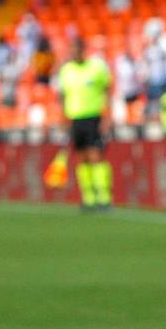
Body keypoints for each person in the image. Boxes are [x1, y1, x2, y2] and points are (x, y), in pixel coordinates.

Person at [57, 37, 113, 210]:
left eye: (77, 49)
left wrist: (107, 116)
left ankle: (103, 197)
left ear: (83, 50)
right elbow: (63, 96)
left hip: (93, 117)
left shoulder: (96, 67)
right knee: (82, 157)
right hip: (75, 118)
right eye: (71, 49)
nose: (74, 53)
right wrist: (63, 118)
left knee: (96, 155)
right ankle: (88, 197)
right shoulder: (66, 70)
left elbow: (107, 90)